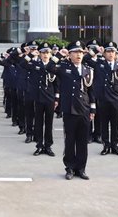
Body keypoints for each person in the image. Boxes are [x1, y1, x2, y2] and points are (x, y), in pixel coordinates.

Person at [45, 41, 95, 180]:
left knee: (82, 141)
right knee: (70, 141)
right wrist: (59, 55)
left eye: (80, 52)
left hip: (84, 109)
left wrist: (92, 109)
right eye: (75, 52)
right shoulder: (64, 67)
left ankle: (81, 168)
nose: (79, 55)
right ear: (70, 54)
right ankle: (70, 168)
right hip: (70, 109)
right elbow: (49, 67)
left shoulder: (88, 70)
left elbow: (91, 91)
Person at [84, 42, 118, 156]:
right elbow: (85, 59)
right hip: (102, 98)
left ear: (116, 53)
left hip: (115, 99)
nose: (111, 54)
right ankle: (106, 145)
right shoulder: (99, 63)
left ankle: (115, 145)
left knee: (115, 124)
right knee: (104, 124)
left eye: (113, 51)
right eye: (108, 51)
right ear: (105, 53)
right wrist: (96, 50)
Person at [23, 42, 58, 156]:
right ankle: (39, 145)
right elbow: (22, 64)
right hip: (38, 98)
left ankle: (48, 146)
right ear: (40, 54)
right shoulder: (35, 64)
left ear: (50, 54)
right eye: (43, 52)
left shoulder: (53, 66)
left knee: (49, 123)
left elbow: (57, 84)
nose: (45, 55)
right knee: (38, 123)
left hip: (50, 98)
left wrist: (56, 98)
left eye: (47, 52)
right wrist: (32, 55)